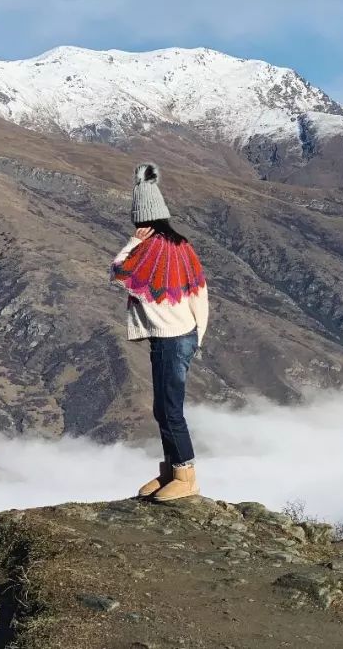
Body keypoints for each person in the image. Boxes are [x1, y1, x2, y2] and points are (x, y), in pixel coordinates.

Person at [110, 163, 209, 501]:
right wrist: (199, 336)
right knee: (164, 408)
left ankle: (185, 475)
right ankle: (170, 471)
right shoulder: (182, 246)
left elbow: (118, 272)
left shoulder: (147, 250)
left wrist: (130, 242)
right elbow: (200, 291)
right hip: (184, 335)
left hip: (169, 340)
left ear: (143, 221)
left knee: (169, 410)